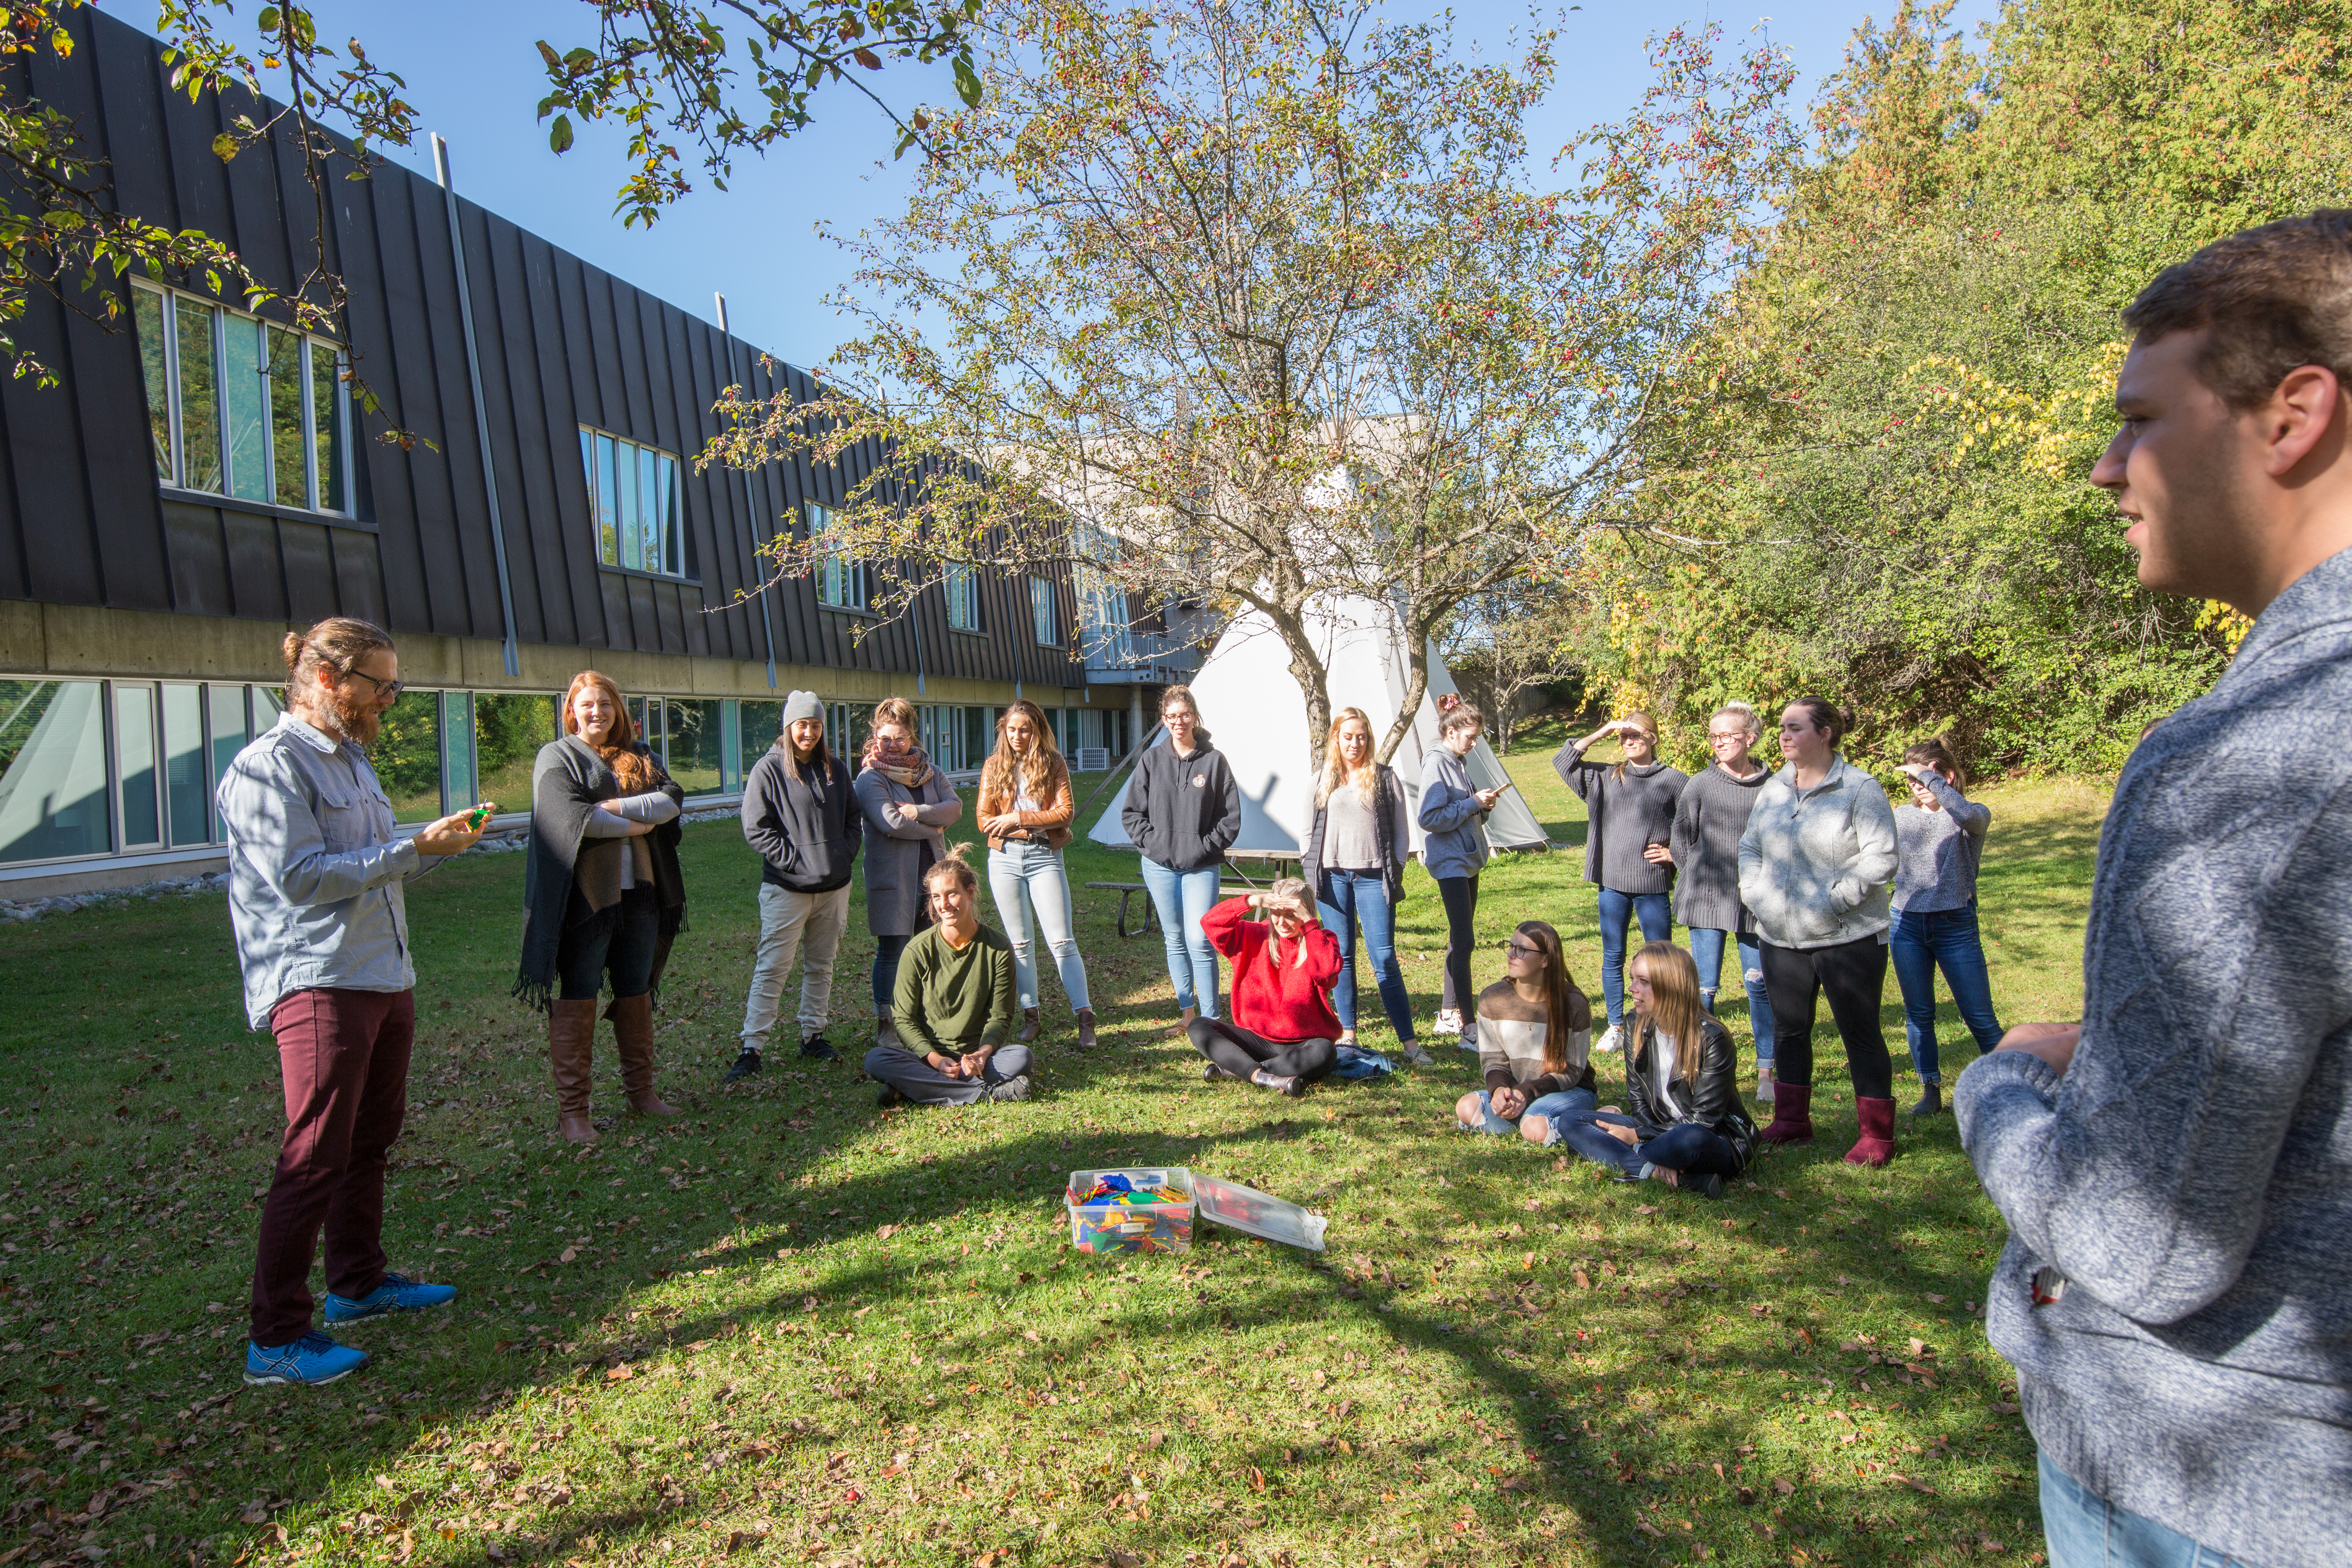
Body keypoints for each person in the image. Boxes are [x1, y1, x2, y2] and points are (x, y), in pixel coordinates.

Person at [1956, 213, 2352, 1568]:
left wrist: (2001, 1082)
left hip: (2225, 1484)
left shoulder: (2252, 762)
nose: (2106, 465)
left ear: (2292, 414)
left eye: (2140, 418)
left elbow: (2141, 1236)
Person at [218, 617, 481, 1386]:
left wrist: (430, 846)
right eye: (381, 685)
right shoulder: (268, 768)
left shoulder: (353, 762)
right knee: (315, 1153)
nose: (390, 700)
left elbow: (368, 866)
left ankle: (358, 1285)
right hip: (318, 981)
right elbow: (299, 877)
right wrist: (410, 849)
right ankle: (276, 1340)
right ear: (329, 679)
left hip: (380, 972)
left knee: (371, 1138)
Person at [518, 672, 689, 1141]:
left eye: (607, 704)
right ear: (572, 710)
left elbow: (672, 799)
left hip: (642, 894)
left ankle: (642, 1094)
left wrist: (614, 809)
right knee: (579, 993)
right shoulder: (556, 757)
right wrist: (636, 824)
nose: (598, 712)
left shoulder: (642, 753)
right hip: (585, 900)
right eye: (588, 704)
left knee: (635, 989)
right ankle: (574, 1114)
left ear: (619, 709)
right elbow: (571, 818)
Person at [1736, 697, 1901, 1165]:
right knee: (1790, 1030)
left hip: (1847, 939)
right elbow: (1750, 845)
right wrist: (1755, 892)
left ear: (1825, 733)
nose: (1784, 736)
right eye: (1782, 729)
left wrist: (1836, 899)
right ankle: (1792, 1121)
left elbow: (1882, 856)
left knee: (1860, 1033)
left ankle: (1877, 1137)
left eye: (1795, 728)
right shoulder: (1772, 790)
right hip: (1780, 936)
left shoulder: (1859, 788)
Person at [1550, 942, 1754, 1199]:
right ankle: (1659, 1172)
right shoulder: (1634, 1024)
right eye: (1633, 979)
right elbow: (1637, 1101)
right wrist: (1644, 1134)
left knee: (1688, 1139)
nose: (1632, 989)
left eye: (1643, 981)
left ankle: (1630, 1157)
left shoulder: (1711, 1038)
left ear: (1671, 986)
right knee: (1572, 1121)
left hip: (1710, 1139)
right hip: (1657, 1130)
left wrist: (1636, 1136)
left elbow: (1704, 1121)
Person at [731, 690, 860, 1079]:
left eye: (816, 725)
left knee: (822, 966)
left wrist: (842, 855)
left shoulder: (835, 767)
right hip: (787, 890)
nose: (809, 732)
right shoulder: (767, 771)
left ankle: (813, 1035)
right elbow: (757, 830)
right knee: (773, 968)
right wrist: (795, 861)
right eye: (802, 725)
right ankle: (752, 1048)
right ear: (788, 727)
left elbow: (854, 819)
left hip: (835, 888)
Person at [1555, 711, 1688, 1052]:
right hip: (1612, 881)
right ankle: (1616, 1026)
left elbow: (1694, 825)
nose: (1628, 742)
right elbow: (1564, 761)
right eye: (1623, 737)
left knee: (1661, 958)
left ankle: (1663, 1023)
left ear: (1654, 739)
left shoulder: (1674, 780)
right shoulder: (1606, 776)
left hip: (1653, 883)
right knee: (1613, 955)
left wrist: (1674, 854)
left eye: (1636, 736)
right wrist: (1605, 730)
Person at [862, 843, 1033, 1106]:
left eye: (952, 894)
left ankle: (913, 1088)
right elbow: (904, 1020)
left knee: (1021, 1056)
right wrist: (935, 1059)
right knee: (876, 1059)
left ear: (970, 892)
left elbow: (1000, 1017)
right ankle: (984, 1094)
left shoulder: (998, 948)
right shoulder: (917, 950)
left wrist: (983, 1053)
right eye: (936, 897)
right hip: (929, 1058)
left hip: (974, 1060)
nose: (944, 905)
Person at [1301, 706, 1425, 1064]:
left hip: (1374, 878)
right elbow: (1307, 833)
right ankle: (1348, 1035)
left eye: (1362, 736)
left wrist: (1395, 868)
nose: (1355, 743)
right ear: (1336, 738)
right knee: (1343, 958)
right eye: (1348, 736)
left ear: (1369, 739)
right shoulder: (1321, 779)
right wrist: (1313, 873)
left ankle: (1410, 1044)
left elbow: (1402, 832)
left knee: (1384, 957)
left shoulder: (1385, 778)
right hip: (1333, 878)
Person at [1668, 701, 1777, 1101]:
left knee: (1760, 987)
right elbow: (1680, 841)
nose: (1719, 744)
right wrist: (1697, 875)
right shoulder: (1699, 785)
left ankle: (1767, 1074)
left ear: (1750, 738)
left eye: (1727, 736)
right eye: (1714, 737)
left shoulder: (1774, 786)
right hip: (1706, 898)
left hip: (1755, 901)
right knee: (1704, 990)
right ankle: (1698, 1069)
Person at [1889, 737, 2002, 1118]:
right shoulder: (1902, 816)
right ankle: (1930, 1088)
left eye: (1926, 777)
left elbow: (1969, 817)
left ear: (1947, 776)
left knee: (1980, 1016)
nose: (1918, 786)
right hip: (1906, 924)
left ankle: (2007, 1082)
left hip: (1955, 924)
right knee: (1919, 1014)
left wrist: (1933, 781)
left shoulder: (1970, 815)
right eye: (1914, 779)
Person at [976, 699, 1098, 1050]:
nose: (1017, 736)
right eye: (1012, 729)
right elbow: (985, 821)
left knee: (1062, 941)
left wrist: (1018, 819)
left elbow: (1065, 812)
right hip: (1004, 859)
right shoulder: (993, 766)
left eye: (1025, 729)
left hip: (1045, 856)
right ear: (1004, 730)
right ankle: (1032, 1016)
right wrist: (1011, 824)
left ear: (1038, 730)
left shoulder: (1054, 763)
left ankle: (1085, 1018)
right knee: (1020, 944)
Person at [1121, 684, 1241, 1030]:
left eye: (1185, 715)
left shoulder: (1214, 761)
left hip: (1201, 867)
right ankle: (1188, 1015)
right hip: (1158, 866)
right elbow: (1132, 814)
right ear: (1163, 720)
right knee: (1174, 938)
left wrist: (1204, 848)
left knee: (1199, 939)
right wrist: (1155, 846)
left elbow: (1230, 817)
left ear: (1195, 716)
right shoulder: (1152, 760)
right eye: (1172, 717)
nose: (1179, 722)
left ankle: (1212, 1020)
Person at [854, 697, 963, 1047]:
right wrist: (933, 827)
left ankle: (924, 1018)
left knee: (930, 947)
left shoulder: (930, 772)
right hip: (893, 879)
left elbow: (955, 809)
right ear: (875, 737)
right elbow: (890, 822)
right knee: (894, 949)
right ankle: (886, 1023)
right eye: (885, 738)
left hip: (932, 878)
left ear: (912, 736)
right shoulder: (870, 777)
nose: (892, 745)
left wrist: (918, 810)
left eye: (900, 738)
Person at [1187, 880, 1342, 1096]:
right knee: (1198, 1026)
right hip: (1257, 1038)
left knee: (1326, 1052)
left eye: (1292, 914)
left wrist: (1309, 923)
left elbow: (1326, 973)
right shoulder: (1252, 935)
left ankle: (1238, 1071)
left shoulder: (1322, 940)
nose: (1282, 922)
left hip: (1303, 1045)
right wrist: (1250, 901)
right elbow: (1210, 923)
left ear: (1306, 914)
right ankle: (1262, 1076)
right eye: (1276, 913)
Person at [1453, 921, 1595, 1142]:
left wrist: (1528, 1092)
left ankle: (1584, 1120)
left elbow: (1573, 1072)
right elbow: (1493, 1061)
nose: (1511, 954)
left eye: (1522, 950)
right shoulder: (1492, 998)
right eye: (1510, 946)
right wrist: (1499, 1089)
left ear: (1546, 960)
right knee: (1466, 1107)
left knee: (1534, 1127)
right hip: (1518, 1093)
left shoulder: (1574, 1003)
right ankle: (1540, 1124)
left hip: (1567, 1091)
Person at [1419, 695, 1503, 1044]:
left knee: (1459, 939)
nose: (1474, 743)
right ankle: (1468, 1026)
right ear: (1451, 732)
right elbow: (1429, 817)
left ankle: (1448, 1014)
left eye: (1477, 737)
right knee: (1465, 941)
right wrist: (1472, 803)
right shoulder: (1436, 764)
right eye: (1471, 737)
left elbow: (1463, 810)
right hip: (1451, 863)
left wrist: (1483, 806)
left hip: (1468, 860)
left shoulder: (1458, 761)